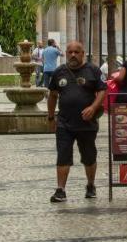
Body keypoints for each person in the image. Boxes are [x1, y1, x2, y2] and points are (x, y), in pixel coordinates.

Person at [45, 40, 107, 202]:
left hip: (87, 124)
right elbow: (52, 96)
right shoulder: (59, 72)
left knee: (89, 157)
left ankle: (91, 185)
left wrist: (93, 107)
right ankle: (60, 190)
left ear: (82, 53)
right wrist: (51, 117)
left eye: (76, 52)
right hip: (64, 123)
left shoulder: (93, 70)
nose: (73, 55)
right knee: (63, 156)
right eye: (70, 52)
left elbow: (102, 91)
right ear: (66, 54)